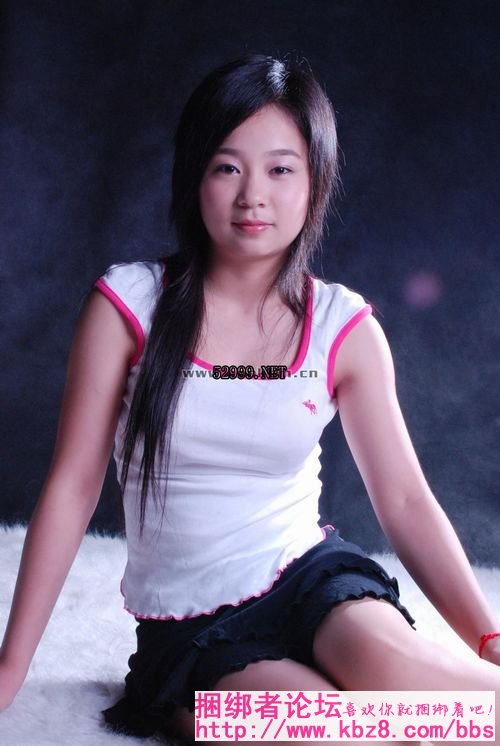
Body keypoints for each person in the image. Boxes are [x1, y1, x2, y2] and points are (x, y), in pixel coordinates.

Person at [0, 55, 499, 746]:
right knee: (338, 731)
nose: (252, 196)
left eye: (280, 169)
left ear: (316, 180)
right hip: (194, 630)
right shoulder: (129, 305)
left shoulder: (343, 326)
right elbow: (73, 486)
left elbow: (406, 502)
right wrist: (11, 668)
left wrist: (489, 637)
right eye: (227, 167)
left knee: (429, 687)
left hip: (314, 581)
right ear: (194, 176)